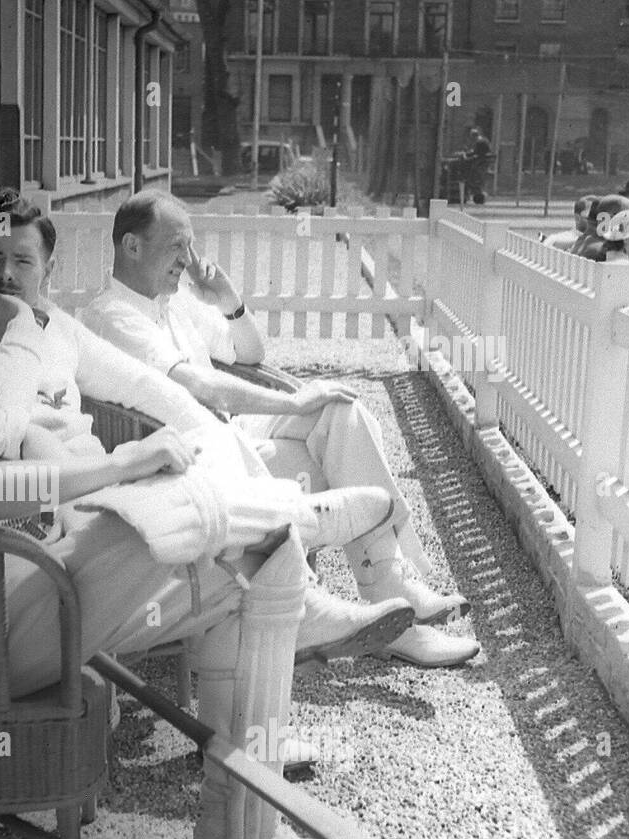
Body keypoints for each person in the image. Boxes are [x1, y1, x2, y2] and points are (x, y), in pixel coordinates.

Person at [0, 233, 418, 839]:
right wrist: (113, 464)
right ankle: (293, 520)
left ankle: (240, 827)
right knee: (141, 520)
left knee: (244, 583)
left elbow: (6, 426)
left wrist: (51, 455)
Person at [0, 186, 427, 673]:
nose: (5, 275)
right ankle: (304, 536)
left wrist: (204, 436)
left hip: (106, 482)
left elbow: (146, 388)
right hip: (48, 514)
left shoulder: (56, 324)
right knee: (215, 540)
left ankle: (296, 584)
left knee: (207, 449)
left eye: (23, 261)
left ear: (49, 271)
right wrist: (21, 328)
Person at [80, 189, 480, 669]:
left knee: (342, 412)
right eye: (175, 247)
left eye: (190, 246)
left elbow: (250, 354)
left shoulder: (175, 302)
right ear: (131, 246)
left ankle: (388, 589)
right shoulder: (112, 316)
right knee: (329, 454)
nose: (188, 261)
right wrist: (292, 400)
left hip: (229, 435)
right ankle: (391, 612)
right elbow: (206, 389)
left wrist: (228, 301)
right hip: (190, 465)